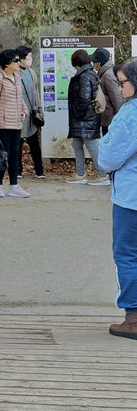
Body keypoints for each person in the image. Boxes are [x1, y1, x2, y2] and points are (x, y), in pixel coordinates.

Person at [98, 57, 137, 339]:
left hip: (131, 198)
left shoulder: (130, 114)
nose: (121, 88)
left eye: (123, 82)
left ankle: (133, 317)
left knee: (127, 255)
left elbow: (108, 158)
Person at [0, 49, 29, 197]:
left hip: (16, 123)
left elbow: (20, 97)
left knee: (14, 155)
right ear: (7, 64)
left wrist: (24, 110)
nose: (19, 63)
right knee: (2, 155)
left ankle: (14, 186)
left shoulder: (17, 77)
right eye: (15, 61)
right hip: (3, 124)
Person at [66, 49, 109, 185]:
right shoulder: (88, 74)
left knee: (91, 145)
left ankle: (102, 175)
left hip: (85, 118)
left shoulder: (84, 76)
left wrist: (77, 113)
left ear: (75, 64)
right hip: (84, 117)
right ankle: (80, 174)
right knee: (77, 143)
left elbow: (84, 98)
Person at [16, 45, 46, 179]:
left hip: (32, 112)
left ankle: (39, 170)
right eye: (28, 57)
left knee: (34, 143)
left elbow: (36, 92)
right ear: (20, 59)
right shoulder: (14, 72)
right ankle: (17, 170)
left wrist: (39, 109)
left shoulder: (31, 72)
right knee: (17, 143)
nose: (30, 59)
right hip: (19, 114)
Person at [91, 47, 123, 135]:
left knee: (110, 146)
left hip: (111, 121)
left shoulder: (107, 75)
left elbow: (117, 99)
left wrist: (119, 120)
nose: (93, 65)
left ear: (98, 63)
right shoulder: (106, 72)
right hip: (108, 119)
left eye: (93, 62)